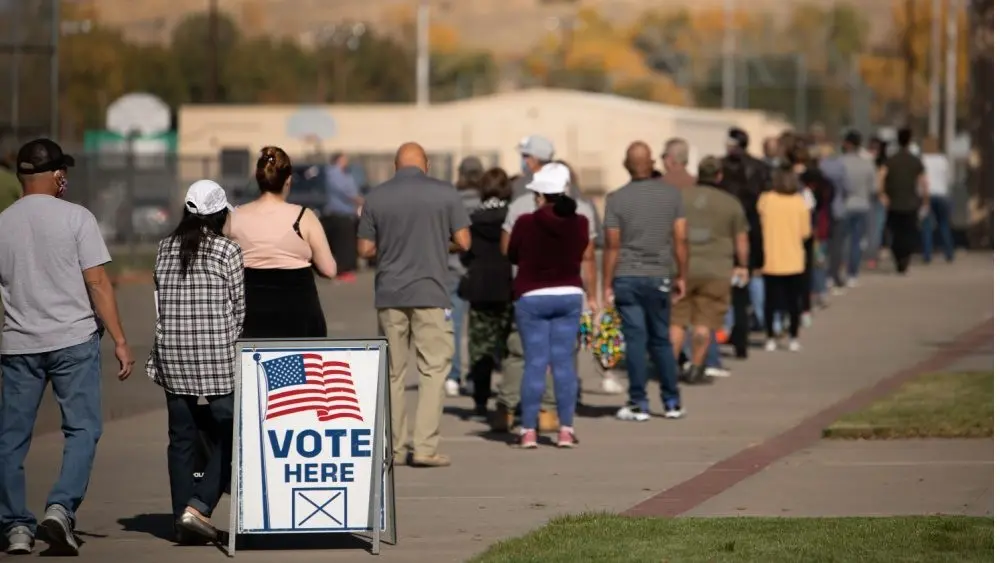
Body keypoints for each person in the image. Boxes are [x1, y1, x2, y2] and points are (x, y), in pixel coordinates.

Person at [0, 139, 133, 556]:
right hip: (73, 341)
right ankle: (60, 507)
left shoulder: (3, 223)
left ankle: (16, 527)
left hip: (19, 344)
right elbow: (97, 283)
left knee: (11, 439)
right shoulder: (77, 217)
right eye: (64, 173)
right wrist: (121, 341)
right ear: (57, 175)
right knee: (83, 429)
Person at [357, 142, 471, 468]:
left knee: (393, 372)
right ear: (427, 164)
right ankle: (424, 447)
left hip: (390, 294)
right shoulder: (446, 193)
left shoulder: (376, 197)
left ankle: (393, 447)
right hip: (432, 291)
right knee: (433, 369)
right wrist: (435, 243)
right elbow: (464, 241)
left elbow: (364, 249)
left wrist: (392, 248)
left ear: (395, 166)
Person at [146, 180, 244, 544]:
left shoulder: (164, 247)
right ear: (219, 214)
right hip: (215, 356)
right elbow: (239, 310)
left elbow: (160, 303)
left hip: (172, 353)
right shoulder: (227, 250)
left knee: (181, 438)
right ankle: (199, 506)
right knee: (233, 432)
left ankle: (180, 519)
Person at [493, 147, 599, 434]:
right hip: (569, 292)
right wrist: (592, 296)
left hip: (530, 294)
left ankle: (522, 423)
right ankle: (560, 423)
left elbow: (509, 251)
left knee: (528, 360)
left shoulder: (522, 215)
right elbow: (586, 256)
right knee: (564, 361)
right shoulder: (583, 217)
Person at [603, 141, 687, 421]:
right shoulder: (671, 196)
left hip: (627, 275)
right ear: (652, 164)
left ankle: (638, 402)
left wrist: (606, 282)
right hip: (659, 274)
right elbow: (680, 239)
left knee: (636, 341)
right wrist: (682, 275)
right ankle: (672, 401)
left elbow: (612, 245)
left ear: (626, 166)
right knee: (661, 340)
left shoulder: (615, 199)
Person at [228, 146, 336, 338]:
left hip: (250, 316)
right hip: (299, 319)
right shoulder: (304, 217)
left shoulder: (234, 217)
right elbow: (329, 269)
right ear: (288, 180)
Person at [670, 156, 749, 384]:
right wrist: (742, 265)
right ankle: (696, 367)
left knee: (677, 321)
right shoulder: (731, 203)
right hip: (716, 269)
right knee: (704, 322)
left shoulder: (680, 198)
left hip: (681, 266)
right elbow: (741, 239)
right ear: (719, 176)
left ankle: (669, 369)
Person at [663, 139, 726, 374]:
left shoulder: (659, 185)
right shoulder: (695, 186)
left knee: (675, 317)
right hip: (707, 259)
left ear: (670, 160)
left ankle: (670, 364)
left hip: (671, 257)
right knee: (704, 316)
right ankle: (707, 361)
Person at [460, 168, 513, 419]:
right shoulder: (512, 217)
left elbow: (465, 252)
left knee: (480, 347)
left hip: (480, 287)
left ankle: (481, 399)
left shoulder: (472, 219)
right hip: (507, 286)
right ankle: (509, 400)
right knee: (509, 347)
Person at [719, 127, 767, 355]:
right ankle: (749, 327)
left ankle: (731, 328)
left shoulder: (723, 168)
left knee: (733, 282)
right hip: (752, 228)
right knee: (748, 277)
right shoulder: (760, 168)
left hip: (729, 230)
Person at [758, 167, 812, 352]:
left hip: (771, 257)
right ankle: (793, 337)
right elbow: (805, 233)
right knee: (793, 302)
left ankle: (770, 337)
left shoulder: (766, 200)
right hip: (794, 259)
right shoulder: (799, 202)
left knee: (770, 302)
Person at [445, 156, 486, 398]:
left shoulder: (451, 201)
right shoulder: (484, 201)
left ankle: (453, 375)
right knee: (477, 329)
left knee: (454, 326)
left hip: (453, 270)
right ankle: (475, 377)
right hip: (479, 272)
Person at [881, 128, 928, 274]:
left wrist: (882, 194)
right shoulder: (915, 161)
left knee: (895, 232)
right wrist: (925, 200)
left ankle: (898, 257)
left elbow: (881, 176)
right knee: (909, 232)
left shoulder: (891, 160)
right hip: (910, 202)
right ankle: (905, 258)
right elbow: (923, 182)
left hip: (894, 202)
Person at [839, 130, 878, 287]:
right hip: (863, 205)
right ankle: (853, 273)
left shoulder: (840, 163)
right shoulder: (867, 163)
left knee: (843, 240)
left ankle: (839, 269)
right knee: (857, 240)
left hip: (845, 205)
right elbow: (873, 187)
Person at [322, 152, 363, 282]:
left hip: (348, 213)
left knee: (349, 243)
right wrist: (358, 199)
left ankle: (347, 270)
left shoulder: (345, 173)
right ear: (338, 160)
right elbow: (346, 191)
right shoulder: (334, 173)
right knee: (343, 245)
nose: (346, 161)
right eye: (344, 159)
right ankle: (341, 271)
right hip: (339, 214)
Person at [919, 137, 955, 263]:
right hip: (942, 194)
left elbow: (921, 179)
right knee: (944, 224)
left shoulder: (922, 160)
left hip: (927, 195)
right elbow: (949, 178)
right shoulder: (943, 160)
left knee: (927, 226)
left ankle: (927, 255)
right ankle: (949, 252)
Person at [510, 135, 555, 200]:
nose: (524, 160)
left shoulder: (520, 186)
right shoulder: (564, 182)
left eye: (525, 155)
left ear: (536, 157)